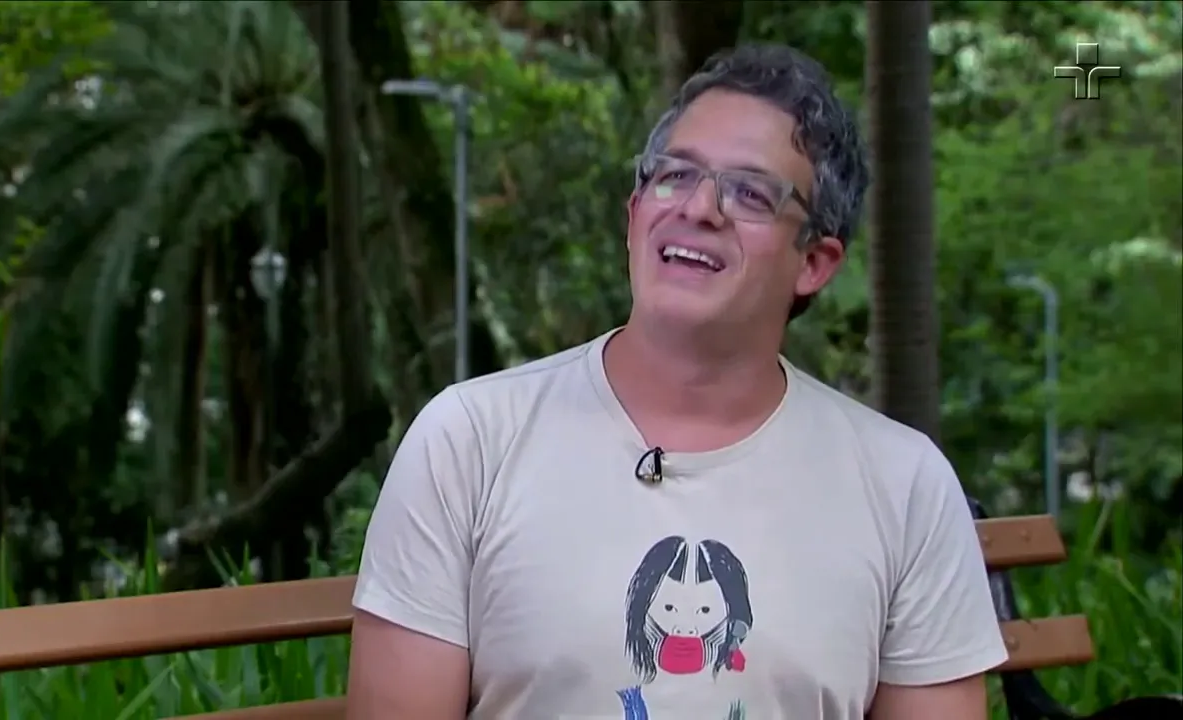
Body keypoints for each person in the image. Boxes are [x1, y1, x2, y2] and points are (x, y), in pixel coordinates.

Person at [346, 43, 1006, 720]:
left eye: (751, 193)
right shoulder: (468, 441)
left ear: (814, 262)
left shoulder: (904, 486)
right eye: (677, 175)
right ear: (635, 212)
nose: (700, 207)